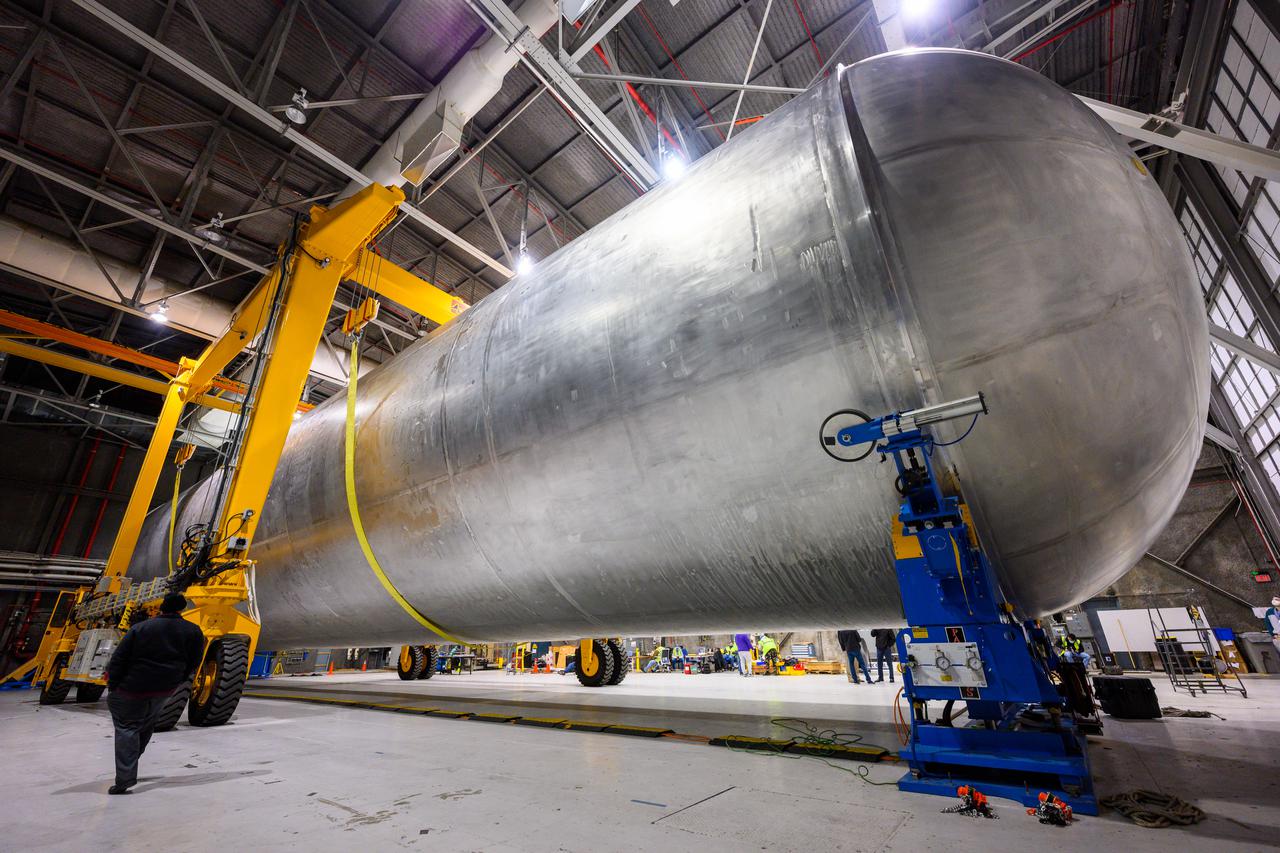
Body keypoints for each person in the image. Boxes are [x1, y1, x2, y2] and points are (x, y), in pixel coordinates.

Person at [104, 592, 205, 795]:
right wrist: (179, 679)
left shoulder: (141, 628)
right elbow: (195, 660)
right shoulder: (193, 631)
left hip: (132, 688)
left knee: (126, 728)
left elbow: (119, 658)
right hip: (164, 689)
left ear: (162, 607)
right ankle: (131, 763)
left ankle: (125, 778)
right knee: (146, 726)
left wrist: (113, 684)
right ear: (182, 609)